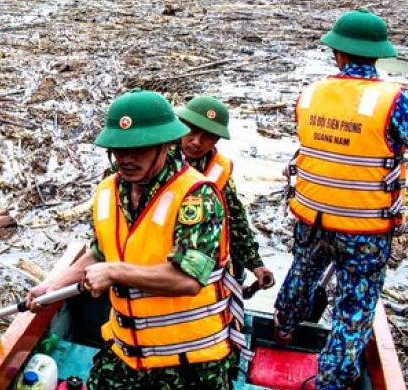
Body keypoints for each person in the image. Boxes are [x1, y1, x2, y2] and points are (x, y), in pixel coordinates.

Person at [27, 89, 245, 390]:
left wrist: (115, 272)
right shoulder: (109, 191)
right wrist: (54, 285)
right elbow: (101, 253)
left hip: (189, 362)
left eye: (138, 149)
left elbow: (189, 280)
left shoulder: (197, 195)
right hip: (127, 349)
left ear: (165, 145)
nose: (126, 159)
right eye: (119, 148)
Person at [274, 9, 408, 390]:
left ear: (338, 54)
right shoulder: (395, 100)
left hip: (312, 218)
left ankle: (283, 327)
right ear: (377, 55)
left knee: (302, 272)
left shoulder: (310, 94)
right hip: (364, 230)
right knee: (353, 308)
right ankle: (332, 379)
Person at [174, 96, 275, 291]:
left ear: (217, 140)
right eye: (192, 132)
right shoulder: (156, 157)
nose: (196, 142)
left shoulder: (220, 170)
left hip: (198, 261)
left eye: (208, 137)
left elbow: (235, 220)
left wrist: (256, 265)